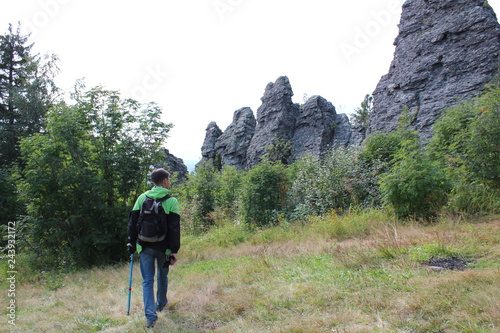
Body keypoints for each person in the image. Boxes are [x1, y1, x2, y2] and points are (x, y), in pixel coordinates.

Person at [127, 168, 181, 328]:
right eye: (169, 179)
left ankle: (150, 316)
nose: (169, 182)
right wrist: (174, 251)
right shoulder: (171, 201)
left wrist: (131, 242)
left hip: (144, 246)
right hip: (163, 248)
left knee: (147, 281)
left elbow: (132, 222)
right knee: (162, 277)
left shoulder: (142, 198)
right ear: (164, 180)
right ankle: (161, 304)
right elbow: (174, 229)